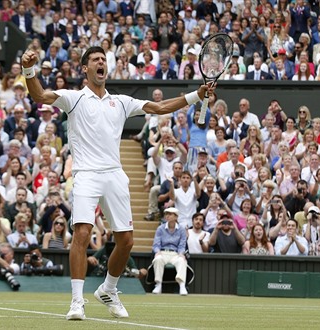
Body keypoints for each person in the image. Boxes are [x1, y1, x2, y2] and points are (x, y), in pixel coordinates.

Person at [21, 46, 209, 320]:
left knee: (127, 241)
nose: (100, 63)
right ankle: (76, 301)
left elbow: (159, 107)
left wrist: (196, 96)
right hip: (86, 174)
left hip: (114, 174)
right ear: (84, 69)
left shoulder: (121, 101)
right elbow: (39, 94)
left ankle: (108, 289)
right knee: (82, 233)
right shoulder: (73, 98)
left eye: (103, 60)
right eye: (95, 60)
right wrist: (29, 69)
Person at [150, 207, 189, 296]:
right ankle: (158, 285)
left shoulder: (182, 229)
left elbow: (182, 245)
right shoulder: (160, 228)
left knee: (182, 261)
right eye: (166, 214)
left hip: (175, 254)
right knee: (158, 259)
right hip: (162, 253)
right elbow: (156, 244)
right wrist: (157, 252)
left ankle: (182, 285)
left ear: (176, 217)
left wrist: (181, 254)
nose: (167, 216)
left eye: (170, 214)